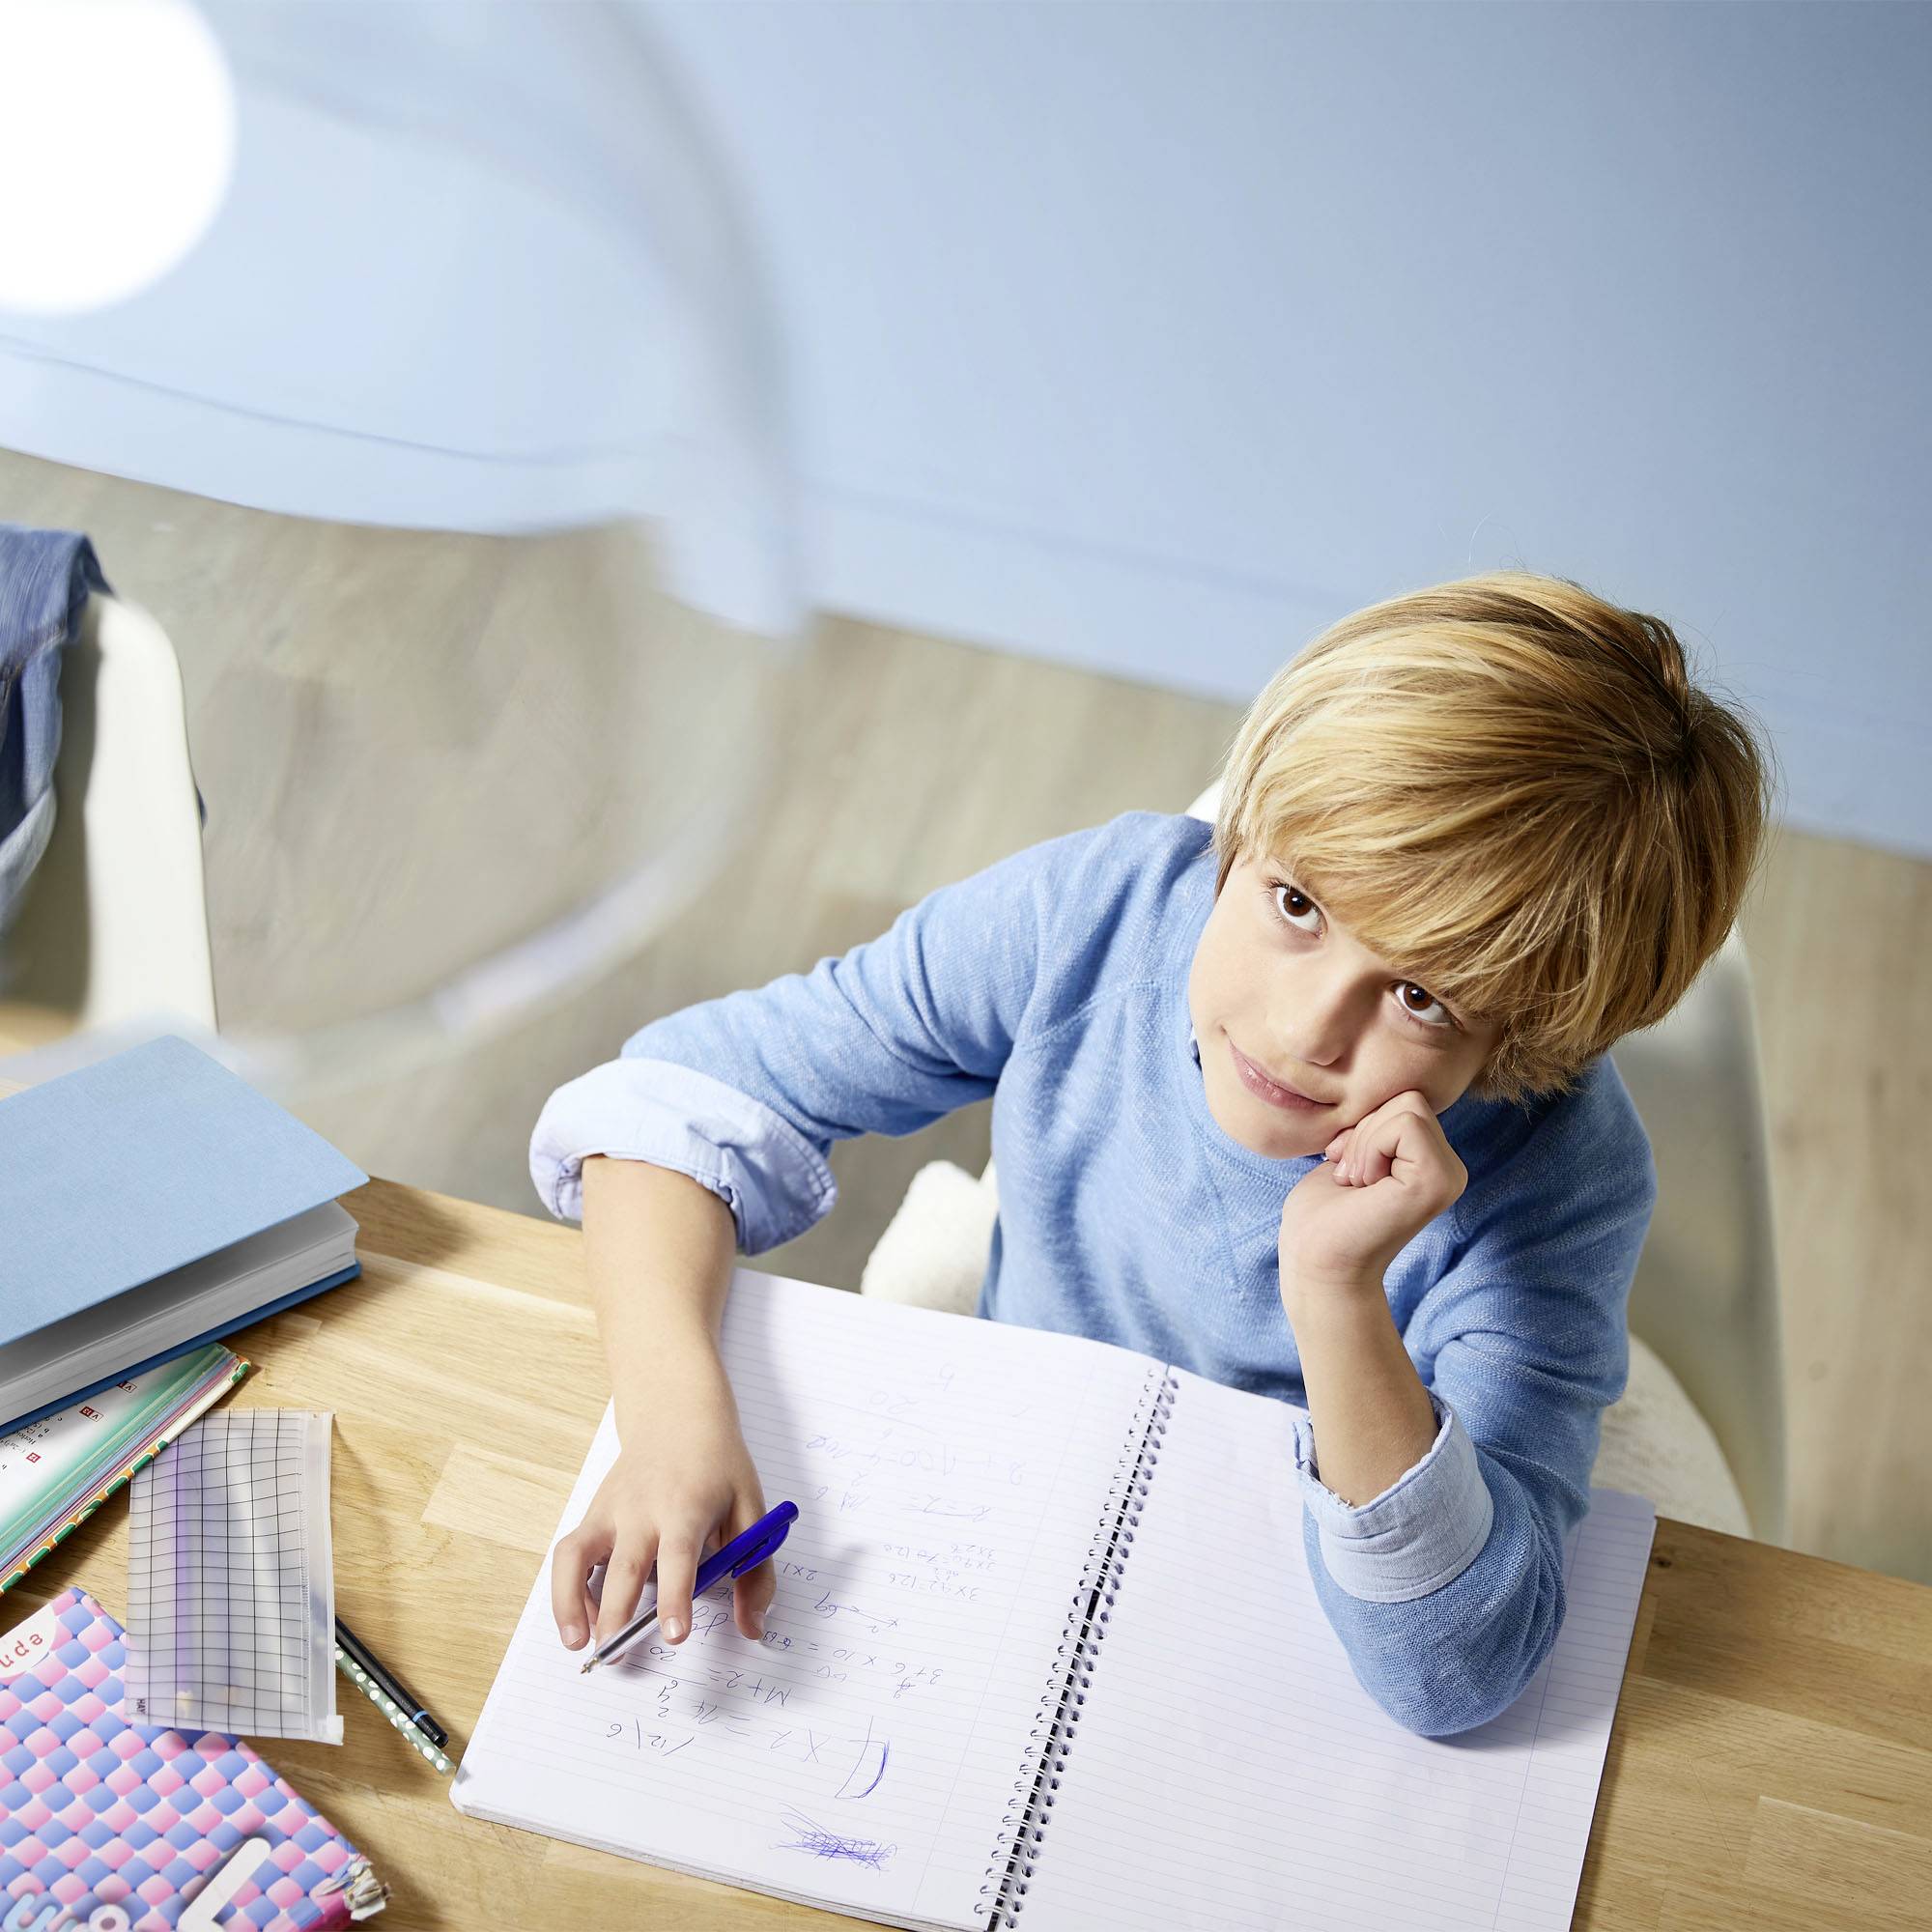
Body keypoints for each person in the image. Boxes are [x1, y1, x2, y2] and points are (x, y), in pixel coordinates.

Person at [529, 570, 1772, 1736]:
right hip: (1024, 1482)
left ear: (1525, 1042)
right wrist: (672, 1419)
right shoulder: (1098, 907)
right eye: (1296, 903)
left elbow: (1459, 1670)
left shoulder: (1561, 1177)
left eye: (1422, 998)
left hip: (1280, 1584)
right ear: (1249, 829)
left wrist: (1334, 1293)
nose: (1303, 1030)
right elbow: (674, 1096)